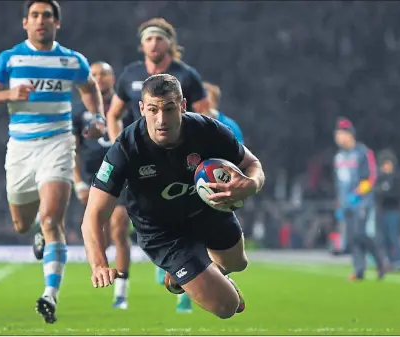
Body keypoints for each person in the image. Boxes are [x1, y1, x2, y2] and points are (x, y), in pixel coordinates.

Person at [82, 74, 265, 319]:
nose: (161, 119)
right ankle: (186, 270)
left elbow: (252, 164)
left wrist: (250, 184)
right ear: (141, 109)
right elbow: (93, 215)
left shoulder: (207, 130)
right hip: (162, 232)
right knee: (227, 307)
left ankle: (191, 273)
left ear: (182, 106)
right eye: (153, 110)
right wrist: (98, 264)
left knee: (237, 264)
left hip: (207, 210)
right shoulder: (126, 147)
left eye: (169, 109)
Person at [0, 0, 105, 324]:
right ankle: (36, 232)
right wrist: (8, 94)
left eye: (47, 15)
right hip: (20, 149)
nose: (41, 20)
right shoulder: (10, 59)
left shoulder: (71, 60)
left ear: (57, 23)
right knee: (22, 224)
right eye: (35, 15)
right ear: (25, 23)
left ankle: (50, 295)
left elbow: (90, 87)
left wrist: (97, 116)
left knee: (51, 220)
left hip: (59, 145)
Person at [105, 17, 210, 313]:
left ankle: (185, 288)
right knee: (118, 224)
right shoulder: (130, 75)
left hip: (177, 159)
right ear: (142, 45)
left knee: (184, 217)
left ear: (170, 44)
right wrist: (119, 146)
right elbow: (114, 114)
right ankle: (124, 291)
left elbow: (206, 115)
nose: (154, 43)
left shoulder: (185, 76)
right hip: (140, 161)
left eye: (159, 38)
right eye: (149, 39)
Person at [70, 61, 132, 309]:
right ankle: (103, 272)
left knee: (119, 229)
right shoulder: (77, 109)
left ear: (113, 77)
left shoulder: (125, 107)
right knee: (101, 234)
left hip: (122, 173)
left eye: (104, 73)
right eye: (94, 74)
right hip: (93, 176)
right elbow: (72, 148)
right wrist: (77, 182)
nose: (99, 78)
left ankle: (122, 292)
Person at [333, 117, 386, 280]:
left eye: (341, 133)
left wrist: (356, 194)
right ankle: (359, 269)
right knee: (351, 239)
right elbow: (338, 182)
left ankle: (381, 262)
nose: (338, 137)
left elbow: (371, 177)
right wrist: (340, 202)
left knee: (360, 234)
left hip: (362, 202)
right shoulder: (339, 157)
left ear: (350, 135)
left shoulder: (363, 152)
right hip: (346, 203)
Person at [375, 149, 400, 270]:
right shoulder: (380, 178)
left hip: (394, 211)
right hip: (383, 211)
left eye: (387, 164)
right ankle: (390, 261)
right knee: (384, 238)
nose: (385, 167)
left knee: (393, 237)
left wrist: (385, 193)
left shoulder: (397, 178)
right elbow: (376, 193)